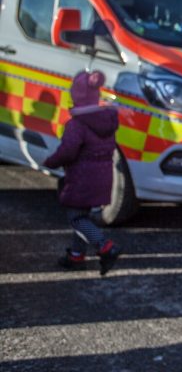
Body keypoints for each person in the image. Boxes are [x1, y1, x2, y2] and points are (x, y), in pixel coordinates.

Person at [44, 70, 121, 276]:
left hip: (82, 177)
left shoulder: (77, 125)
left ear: (76, 97)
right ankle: (76, 254)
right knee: (83, 215)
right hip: (103, 176)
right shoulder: (106, 122)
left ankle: (105, 246)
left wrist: (51, 161)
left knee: (76, 218)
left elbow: (68, 151)